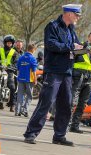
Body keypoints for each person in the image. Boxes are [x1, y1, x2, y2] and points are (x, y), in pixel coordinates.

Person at [23, 4, 83, 146]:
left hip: (67, 72)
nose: (78, 18)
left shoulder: (71, 29)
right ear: (68, 13)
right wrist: (71, 47)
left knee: (65, 104)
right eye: (77, 14)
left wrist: (83, 49)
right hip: (54, 71)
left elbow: (76, 45)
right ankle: (31, 133)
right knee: (47, 102)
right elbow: (51, 44)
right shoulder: (53, 26)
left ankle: (59, 136)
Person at [70, 31, 91, 133]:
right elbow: (72, 57)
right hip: (78, 77)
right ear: (88, 37)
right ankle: (64, 123)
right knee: (72, 102)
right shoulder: (81, 46)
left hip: (90, 79)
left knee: (82, 104)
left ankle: (75, 125)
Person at [0, 35, 19, 112]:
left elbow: (16, 62)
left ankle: (12, 104)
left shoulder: (14, 52)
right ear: (5, 43)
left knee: (12, 87)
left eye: (10, 43)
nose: (9, 44)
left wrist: (13, 66)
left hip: (9, 71)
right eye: (8, 43)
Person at [15, 43, 38, 117]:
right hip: (29, 80)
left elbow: (18, 68)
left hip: (21, 78)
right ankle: (24, 110)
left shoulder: (21, 57)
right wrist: (35, 79)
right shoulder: (32, 58)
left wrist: (19, 77)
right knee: (29, 96)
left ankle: (17, 111)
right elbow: (34, 70)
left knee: (20, 95)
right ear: (33, 50)